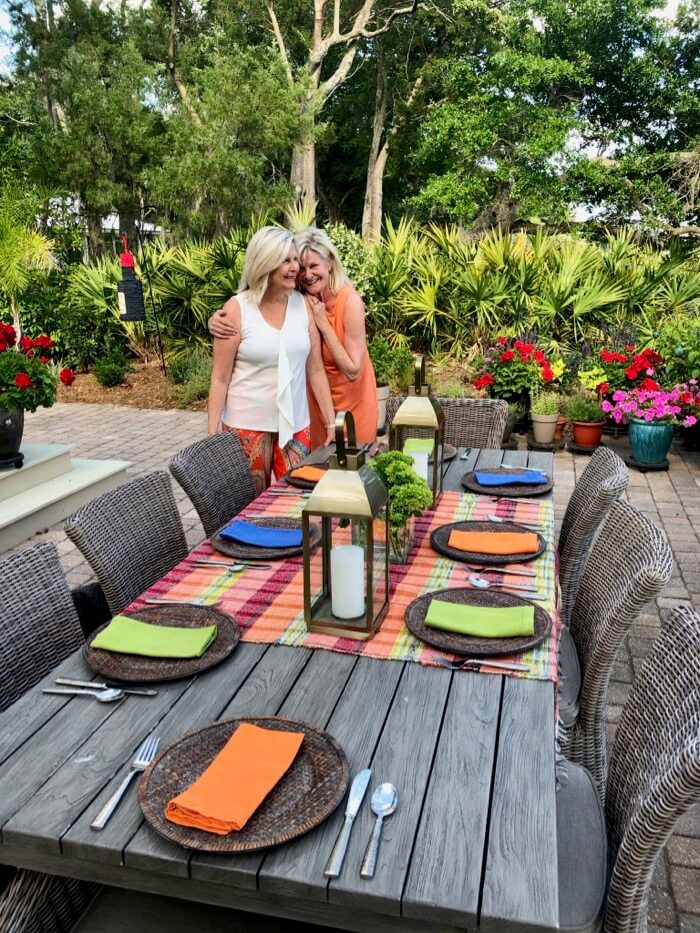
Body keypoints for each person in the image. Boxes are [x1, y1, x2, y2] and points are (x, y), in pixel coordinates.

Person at [209, 226, 378, 449]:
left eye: (312, 265)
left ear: (329, 263)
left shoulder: (343, 302)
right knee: (309, 477)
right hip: (306, 408)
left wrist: (323, 324)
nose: (304, 273)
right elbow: (222, 374)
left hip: (350, 403)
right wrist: (213, 321)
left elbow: (346, 369)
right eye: (298, 264)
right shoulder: (299, 297)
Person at [207, 226, 335, 493]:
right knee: (248, 507)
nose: (294, 268)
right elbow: (220, 378)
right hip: (246, 427)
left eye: (294, 260)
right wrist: (212, 435)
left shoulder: (304, 306)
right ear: (265, 263)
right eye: (285, 260)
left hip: (297, 425)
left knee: (298, 500)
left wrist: (330, 421)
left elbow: (315, 370)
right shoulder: (237, 309)